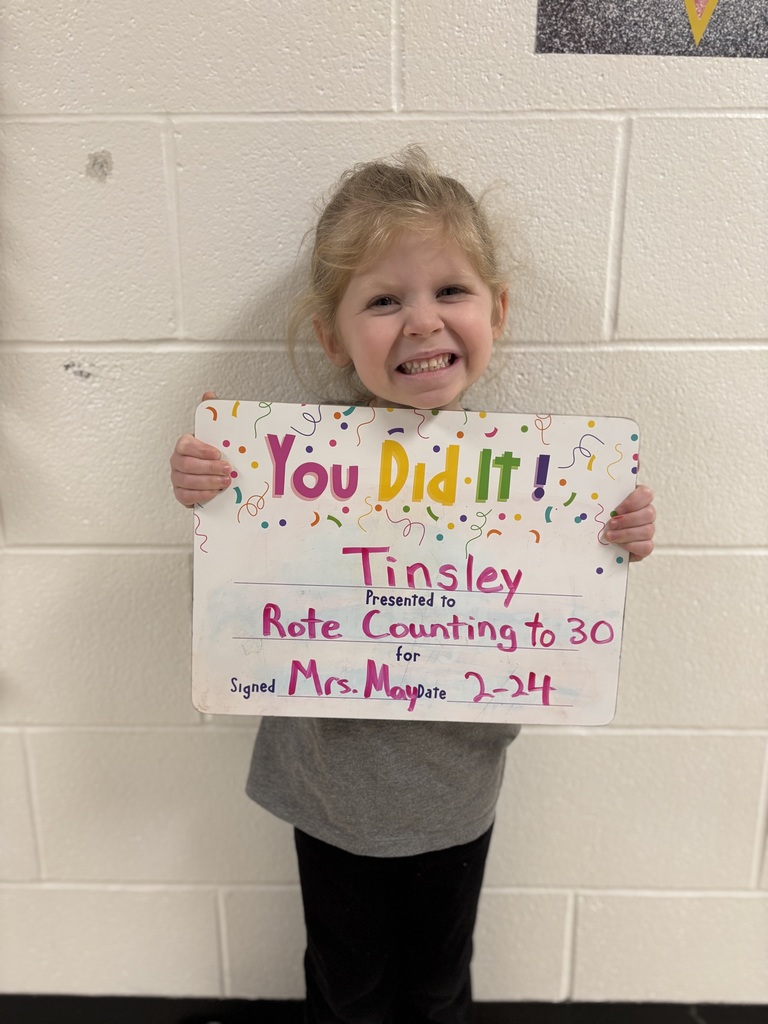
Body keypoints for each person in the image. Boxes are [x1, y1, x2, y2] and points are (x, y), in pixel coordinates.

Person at [169, 148, 656, 1024]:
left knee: (437, 983)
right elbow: (234, 595)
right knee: (346, 983)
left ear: (497, 312)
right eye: (384, 300)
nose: (422, 322)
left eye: (450, 292)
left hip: (455, 791)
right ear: (331, 335)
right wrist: (216, 499)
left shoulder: (541, 480)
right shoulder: (285, 465)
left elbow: (571, 597)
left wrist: (617, 533)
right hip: (327, 789)